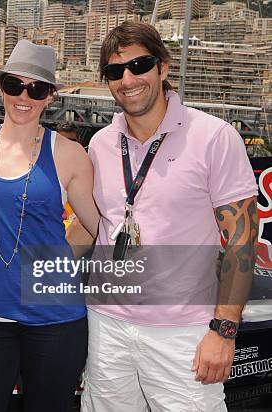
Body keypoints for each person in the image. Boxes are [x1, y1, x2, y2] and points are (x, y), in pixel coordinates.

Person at [81, 22, 258, 411]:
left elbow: (242, 240)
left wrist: (224, 331)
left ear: (163, 67)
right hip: (106, 325)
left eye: (140, 65)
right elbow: (95, 226)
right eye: (114, 71)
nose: (128, 80)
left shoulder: (213, 136)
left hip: (184, 332)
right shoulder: (99, 144)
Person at [0, 40, 99, 412]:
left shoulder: (68, 154)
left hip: (56, 320)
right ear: (0, 88)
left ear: (49, 97)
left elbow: (96, 226)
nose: (24, 96)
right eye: (15, 85)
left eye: (37, 89)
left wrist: (49, 265)